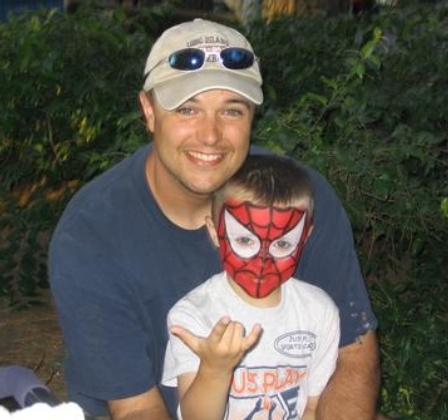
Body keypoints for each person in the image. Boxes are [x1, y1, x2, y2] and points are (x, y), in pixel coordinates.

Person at [48, 18, 380, 420]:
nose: (209, 135)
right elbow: (136, 408)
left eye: (232, 111)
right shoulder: (92, 234)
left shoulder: (299, 199)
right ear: (149, 111)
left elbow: (354, 355)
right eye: (187, 109)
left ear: (253, 117)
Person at [163, 154, 341, 420]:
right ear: (214, 231)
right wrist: (214, 369)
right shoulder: (192, 315)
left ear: (305, 238)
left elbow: (313, 407)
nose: (262, 261)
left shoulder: (319, 311)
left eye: (282, 244)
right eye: (245, 240)